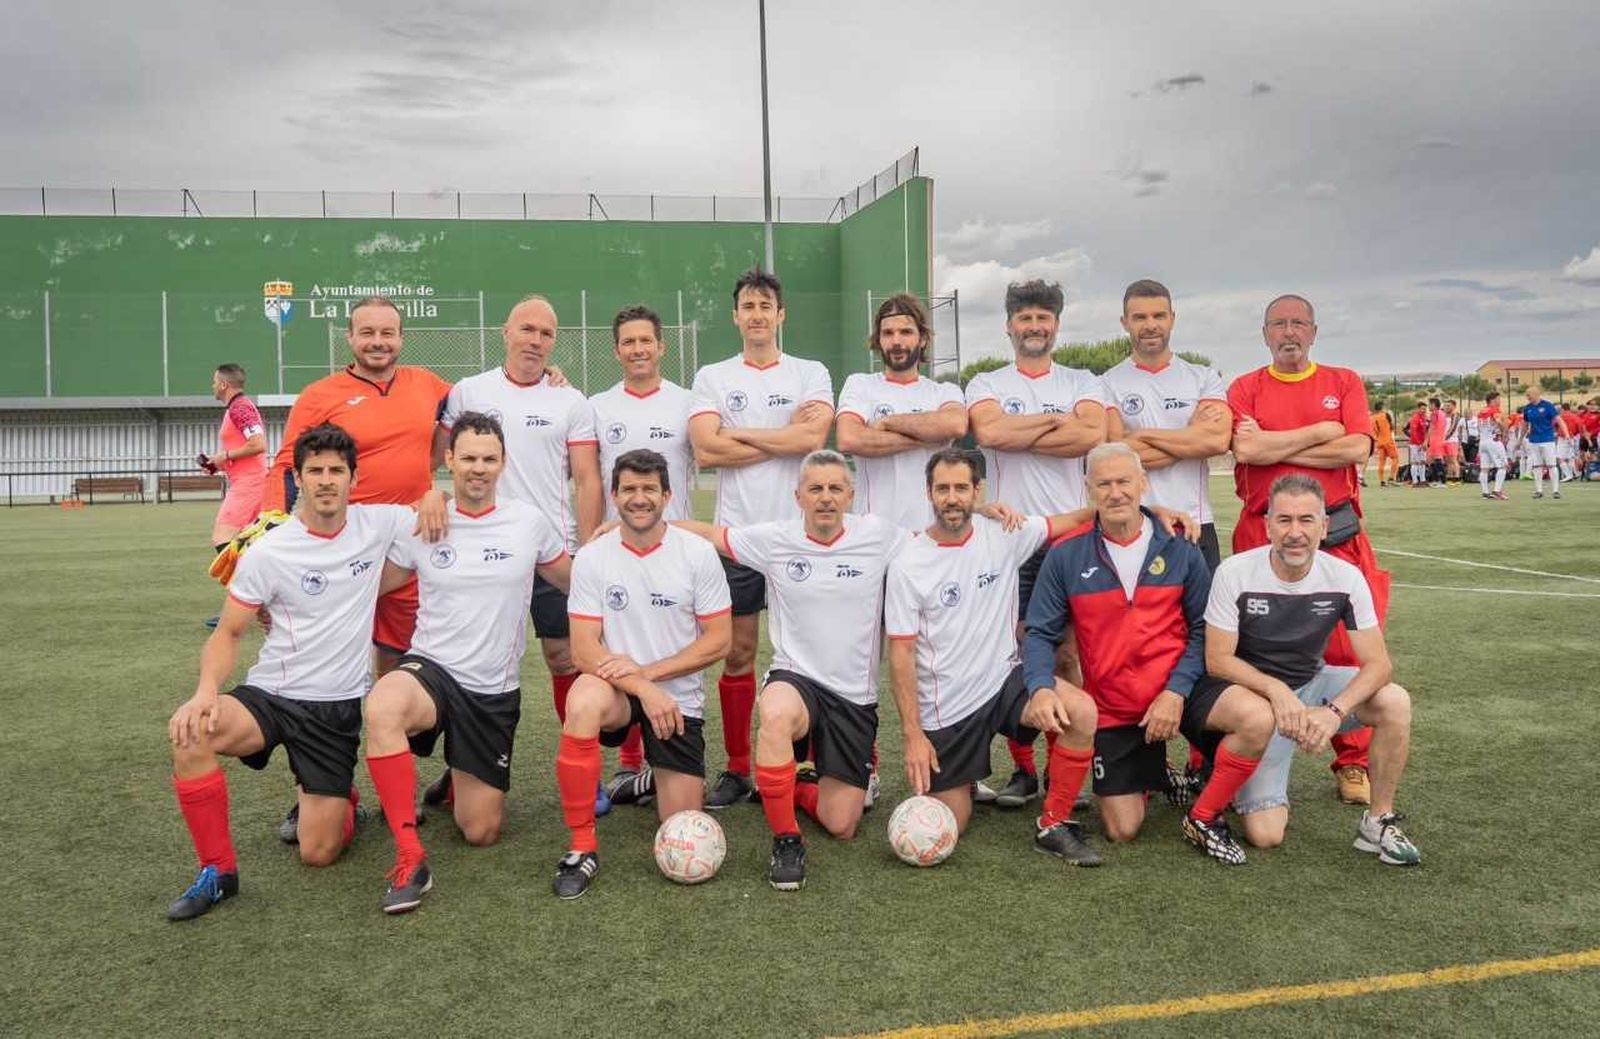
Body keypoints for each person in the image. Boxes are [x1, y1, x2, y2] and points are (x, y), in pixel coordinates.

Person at [163, 424, 418, 921]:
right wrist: (205, 692)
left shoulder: (380, 524)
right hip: (271, 695)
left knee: (318, 854)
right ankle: (218, 871)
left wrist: (433, 500)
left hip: (333, 710)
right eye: (315, 471)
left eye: (336, 471)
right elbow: (228, 632)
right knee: (191, 734)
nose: (326, 480)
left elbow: (437, 529)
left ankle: (340, 797)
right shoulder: (270, 551)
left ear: (353, 478)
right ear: (298, 478)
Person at [1022, 443, 1273, 865]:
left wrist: (1175, 692)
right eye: (1104, 483)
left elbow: (1202, 631)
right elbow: (1040, 633)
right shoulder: (1066, 555)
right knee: (1123, 830)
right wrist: (1040, 687)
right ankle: (1156, 771)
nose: (1115, 492)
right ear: (1088, 490)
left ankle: (1203, 816)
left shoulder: (1180, 548)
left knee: (1257, 718)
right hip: (1116, 706)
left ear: (1143, 484)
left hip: (1183, 687)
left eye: (1124, 481)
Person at [361, 412, 573, 914]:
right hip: (431, 670)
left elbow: (573, 580)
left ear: (503, 463)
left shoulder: (529, 524)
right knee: (383, 706)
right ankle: (410, 855)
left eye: (489, 459)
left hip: (490, 691)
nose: (478, 468)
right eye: (469, 458)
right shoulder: (426, 522)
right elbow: (370, 587)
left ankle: (459, 772)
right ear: (449, 460)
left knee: (481, 832)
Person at [259, 297, 452, 844]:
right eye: (367, 332)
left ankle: (445, 772)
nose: (378, 342)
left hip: (409, 546)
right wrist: (275, 535)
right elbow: (285, 465)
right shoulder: (320, 395)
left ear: (401, 336)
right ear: (350, 338)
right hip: (341, 550)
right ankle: (319, 787)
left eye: (387, 333)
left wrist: (552, 375)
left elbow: (479, 409)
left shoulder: (429, 384)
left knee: (413, 662)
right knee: (322, 675)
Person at [674, 451, 909, 890]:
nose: (825, 498)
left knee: (842, 825)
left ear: (850, 495)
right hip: (797, 679)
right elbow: (709, 534)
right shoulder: (775, 539)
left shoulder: (879, 535)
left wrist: (988, 513)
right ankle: (786, 839)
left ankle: (798, 781)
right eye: (815, 489)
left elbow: (933, 541)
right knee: (776, 712)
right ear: (798, 495)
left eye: (835, 488)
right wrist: (633, 528)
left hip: (853, 696)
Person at [885, 449, 1103, 866]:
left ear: (978, 490)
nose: (952, 498)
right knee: (951, 822)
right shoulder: (909, 563)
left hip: (1005, 682)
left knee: (1081, 712)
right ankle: (963, 782)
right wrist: (913, 734)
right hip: (947, 706)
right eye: (943, 489)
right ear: (928, 493)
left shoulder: (1004, 533)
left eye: (962, 488)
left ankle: (1053, 823)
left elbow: (1075, 519)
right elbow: (901, 653)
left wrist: (1153, 510)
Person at [436, 295, 605, 810]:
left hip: (551, 553)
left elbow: (586, 477)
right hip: (479, 555)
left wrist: (591, 547)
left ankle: (586, 769)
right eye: (527, 329)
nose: (535, 340)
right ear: (505, 332)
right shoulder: (470, 391)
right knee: (467, 662)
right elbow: (437, 454)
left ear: (554, 343)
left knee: (565, 658)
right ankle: (460, 768)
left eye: (546, 334)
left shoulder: (570, 400)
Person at [1198, 474, 1421, 866]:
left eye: (1306, 520)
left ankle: (1378, 821)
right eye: (1284, 520)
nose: (1295, 533)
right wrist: (1275, 691)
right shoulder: (1235, 572)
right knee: (1266, 836)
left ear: (1325, 526)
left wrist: (1334, 713)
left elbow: (1379, 663)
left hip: (1312, 686)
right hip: (1258, 702)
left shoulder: (1344, 576)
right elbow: (1218, 660)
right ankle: (1234, 761)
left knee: (1394, 702)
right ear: (1267, 524)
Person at [552, 449, 732, 899]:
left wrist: (652, 675)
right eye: (629, 489)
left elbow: (719, 641)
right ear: (614, 496)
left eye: (649, 488)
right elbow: (583, 648)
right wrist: (641, 687)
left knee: (680, 823)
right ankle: (581, 848)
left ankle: (651, 776)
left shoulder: (696, 554)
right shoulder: (594, 557)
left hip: (676, 701)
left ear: (667, 495)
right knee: (582, 699)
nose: (639, 498)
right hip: (618, 689)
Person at [1226, 294, 1384, 805]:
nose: (1288, 331)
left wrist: (1277, 441)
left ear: (1314, 331)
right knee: (1247, 648)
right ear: (1264, 333)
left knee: (1343, 646)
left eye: (1298, 323)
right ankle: (1235, 752)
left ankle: (1352, 760)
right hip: (1260, 531)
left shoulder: (1343, 382)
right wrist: (1321, 432)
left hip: (1335, 534)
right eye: (1279, 324)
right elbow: (1247, 450)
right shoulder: (1245, 387)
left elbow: (1357, 447)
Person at [688, 268, 834, 808]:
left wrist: (738, 433)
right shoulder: (713, 376)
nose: (755, 314)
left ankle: (809, 765)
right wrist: (784, 438)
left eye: (764, 305)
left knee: (811, 653)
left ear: (781, 314)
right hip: (739, 538)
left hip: (805, 535)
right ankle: (737, 768)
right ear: (735, 315)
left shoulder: (809, 372)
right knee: (739, 651)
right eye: (747, 305)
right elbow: (705, 449)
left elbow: (814, 437)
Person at [964, 279, 1109, 806]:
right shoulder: (985, 382)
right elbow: (991, 436)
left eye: (1043, 318)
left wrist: (1022, 427)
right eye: (1024, 318)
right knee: (1012, 652)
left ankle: (1062, 771)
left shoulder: (1083, 380)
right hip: (1010, 540)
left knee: (1069, 656)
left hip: (1071, 537)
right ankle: (1022, 770)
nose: (1034, 326)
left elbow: (1091, 434)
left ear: (1056, 325)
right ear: (1009, 325)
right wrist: (1056, 421)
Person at [586, 304, 696, 805]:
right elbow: (588, 477)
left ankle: (676, 760)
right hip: (618, 551)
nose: (637, 350)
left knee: (681, 647)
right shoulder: (597, 406)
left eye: (645, 341)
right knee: (621, 646)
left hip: (675, 550)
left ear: (661, 346)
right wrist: (592, 539)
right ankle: (631, 766)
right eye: (628, 342)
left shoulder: (688, 403)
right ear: (616, 351)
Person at [835, 293, 968, 529]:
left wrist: (887, 423)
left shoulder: (944, 391)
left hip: (931, 536)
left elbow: (955, 425)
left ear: (923, 338)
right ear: (878, 340)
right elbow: (849, 439)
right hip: (872, 537)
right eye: (887, 333)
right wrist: (929, 436)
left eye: (906, 332)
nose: (896, 341)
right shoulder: (860, 385)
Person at [207, 363, 269, 549]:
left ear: (224, 385)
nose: (213, 386)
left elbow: (258, 444)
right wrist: (219, 463)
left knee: (222, 539)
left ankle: (243, 579)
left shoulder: (240, 408)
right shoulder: (238, 407)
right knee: (250, 542)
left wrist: (224, 455)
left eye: (214, 382)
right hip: (249, 484)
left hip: (249, 486)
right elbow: (246, 450)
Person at [1518, 386, 1568, 499]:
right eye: (1526, 395)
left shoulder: (1548, 406)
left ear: (1536, 394)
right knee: (1537, 466)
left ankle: (1555, 490)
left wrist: (1566, 433)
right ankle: (1538, 490)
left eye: (1529, 395)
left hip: (1547, 440)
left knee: (1551, 465)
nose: (1527, 397)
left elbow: (1559, 420)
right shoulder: (1527, 408)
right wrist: (1520, 439)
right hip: (1533, 440)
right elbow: (1525, 425)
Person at [1475, 391, 1510, 500]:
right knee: (1503, 466)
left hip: (1483, 442)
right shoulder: (1494, 410)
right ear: (1493, 400)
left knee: (1484, 468)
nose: (1500, 401)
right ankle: (1497, 491)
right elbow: (1498, 421)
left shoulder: (1481, 411)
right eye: (1498, 399)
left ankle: (1485, 493)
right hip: (1493, 441)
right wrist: (1505, 432)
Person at [1370, 403, 1399, 487]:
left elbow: (1374, 431)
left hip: (1380, 441)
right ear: (1382, 408)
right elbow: (1391, 427)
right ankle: (1392, 478)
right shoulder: (1386, 415)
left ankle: (1382, 480)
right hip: (1388, 440)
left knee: (1381, 462)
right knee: (1395, 459)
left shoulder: (1372, 418)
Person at [1404, 402, 1429, 488]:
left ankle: (1423, 480)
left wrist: (1425, 442)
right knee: (1415, 462)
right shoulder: (1415, 418)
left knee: (1422, 462)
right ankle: (1415, 481)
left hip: (1423, 444)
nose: (1424, 410)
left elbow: (1426, 431)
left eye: (1425, 409)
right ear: (1418, 409)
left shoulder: (1424, 418)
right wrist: (1419, 443)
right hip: (1415, 444)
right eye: (1422, 409)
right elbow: (1413, 432)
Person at [1442, 400, 1465, 483]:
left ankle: (1457, 477)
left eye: (1449, 405)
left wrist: (1445, 437)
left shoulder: (1456, 415)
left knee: (1453, 460)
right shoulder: (1444, 415)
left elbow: (1453, 427)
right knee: (1447, 461)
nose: (1447, 407)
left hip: (1452, 441)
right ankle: (1450, 477)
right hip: (1444, 441)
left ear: (1454, 406)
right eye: (1446, 405)